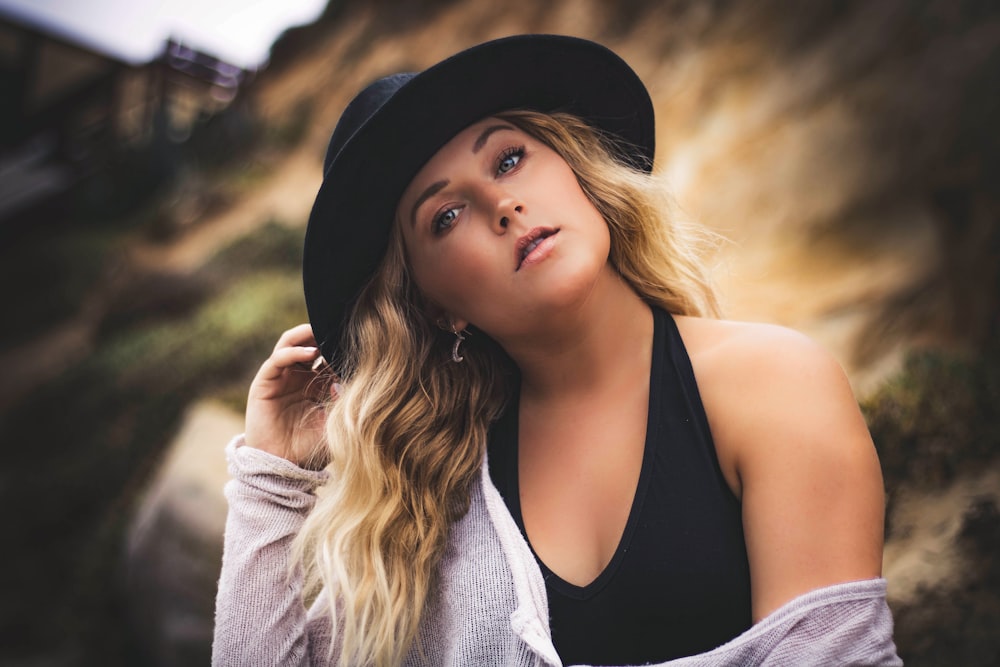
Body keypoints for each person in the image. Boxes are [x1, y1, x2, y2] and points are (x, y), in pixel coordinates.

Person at [212, 35, 900, 666]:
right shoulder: (433, 508)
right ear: (433, 305)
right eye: (445, 216)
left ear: (576, 173)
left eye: (509, 158)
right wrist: (270, 477)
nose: (502, 204)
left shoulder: (771, 384)